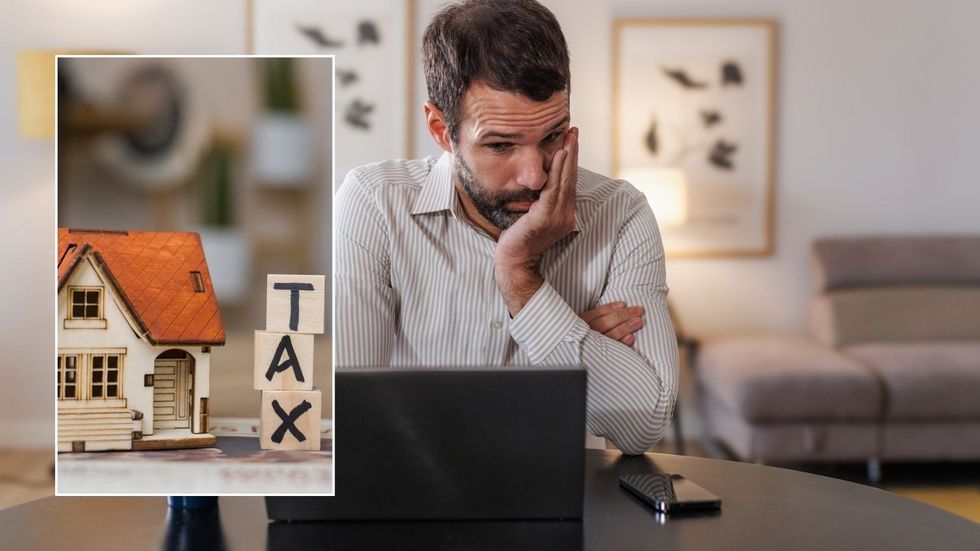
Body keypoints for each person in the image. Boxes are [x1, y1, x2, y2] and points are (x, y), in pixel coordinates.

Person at [335, 0, 678, 454]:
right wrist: (576, 347)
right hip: (414, 503)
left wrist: (522, 278)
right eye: (500, 145)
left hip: (567, 507)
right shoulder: (374, 205)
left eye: (553, 136)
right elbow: (354, 419)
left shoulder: (622, 215)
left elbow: (644, 427)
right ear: (441, 130)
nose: (534, 176)